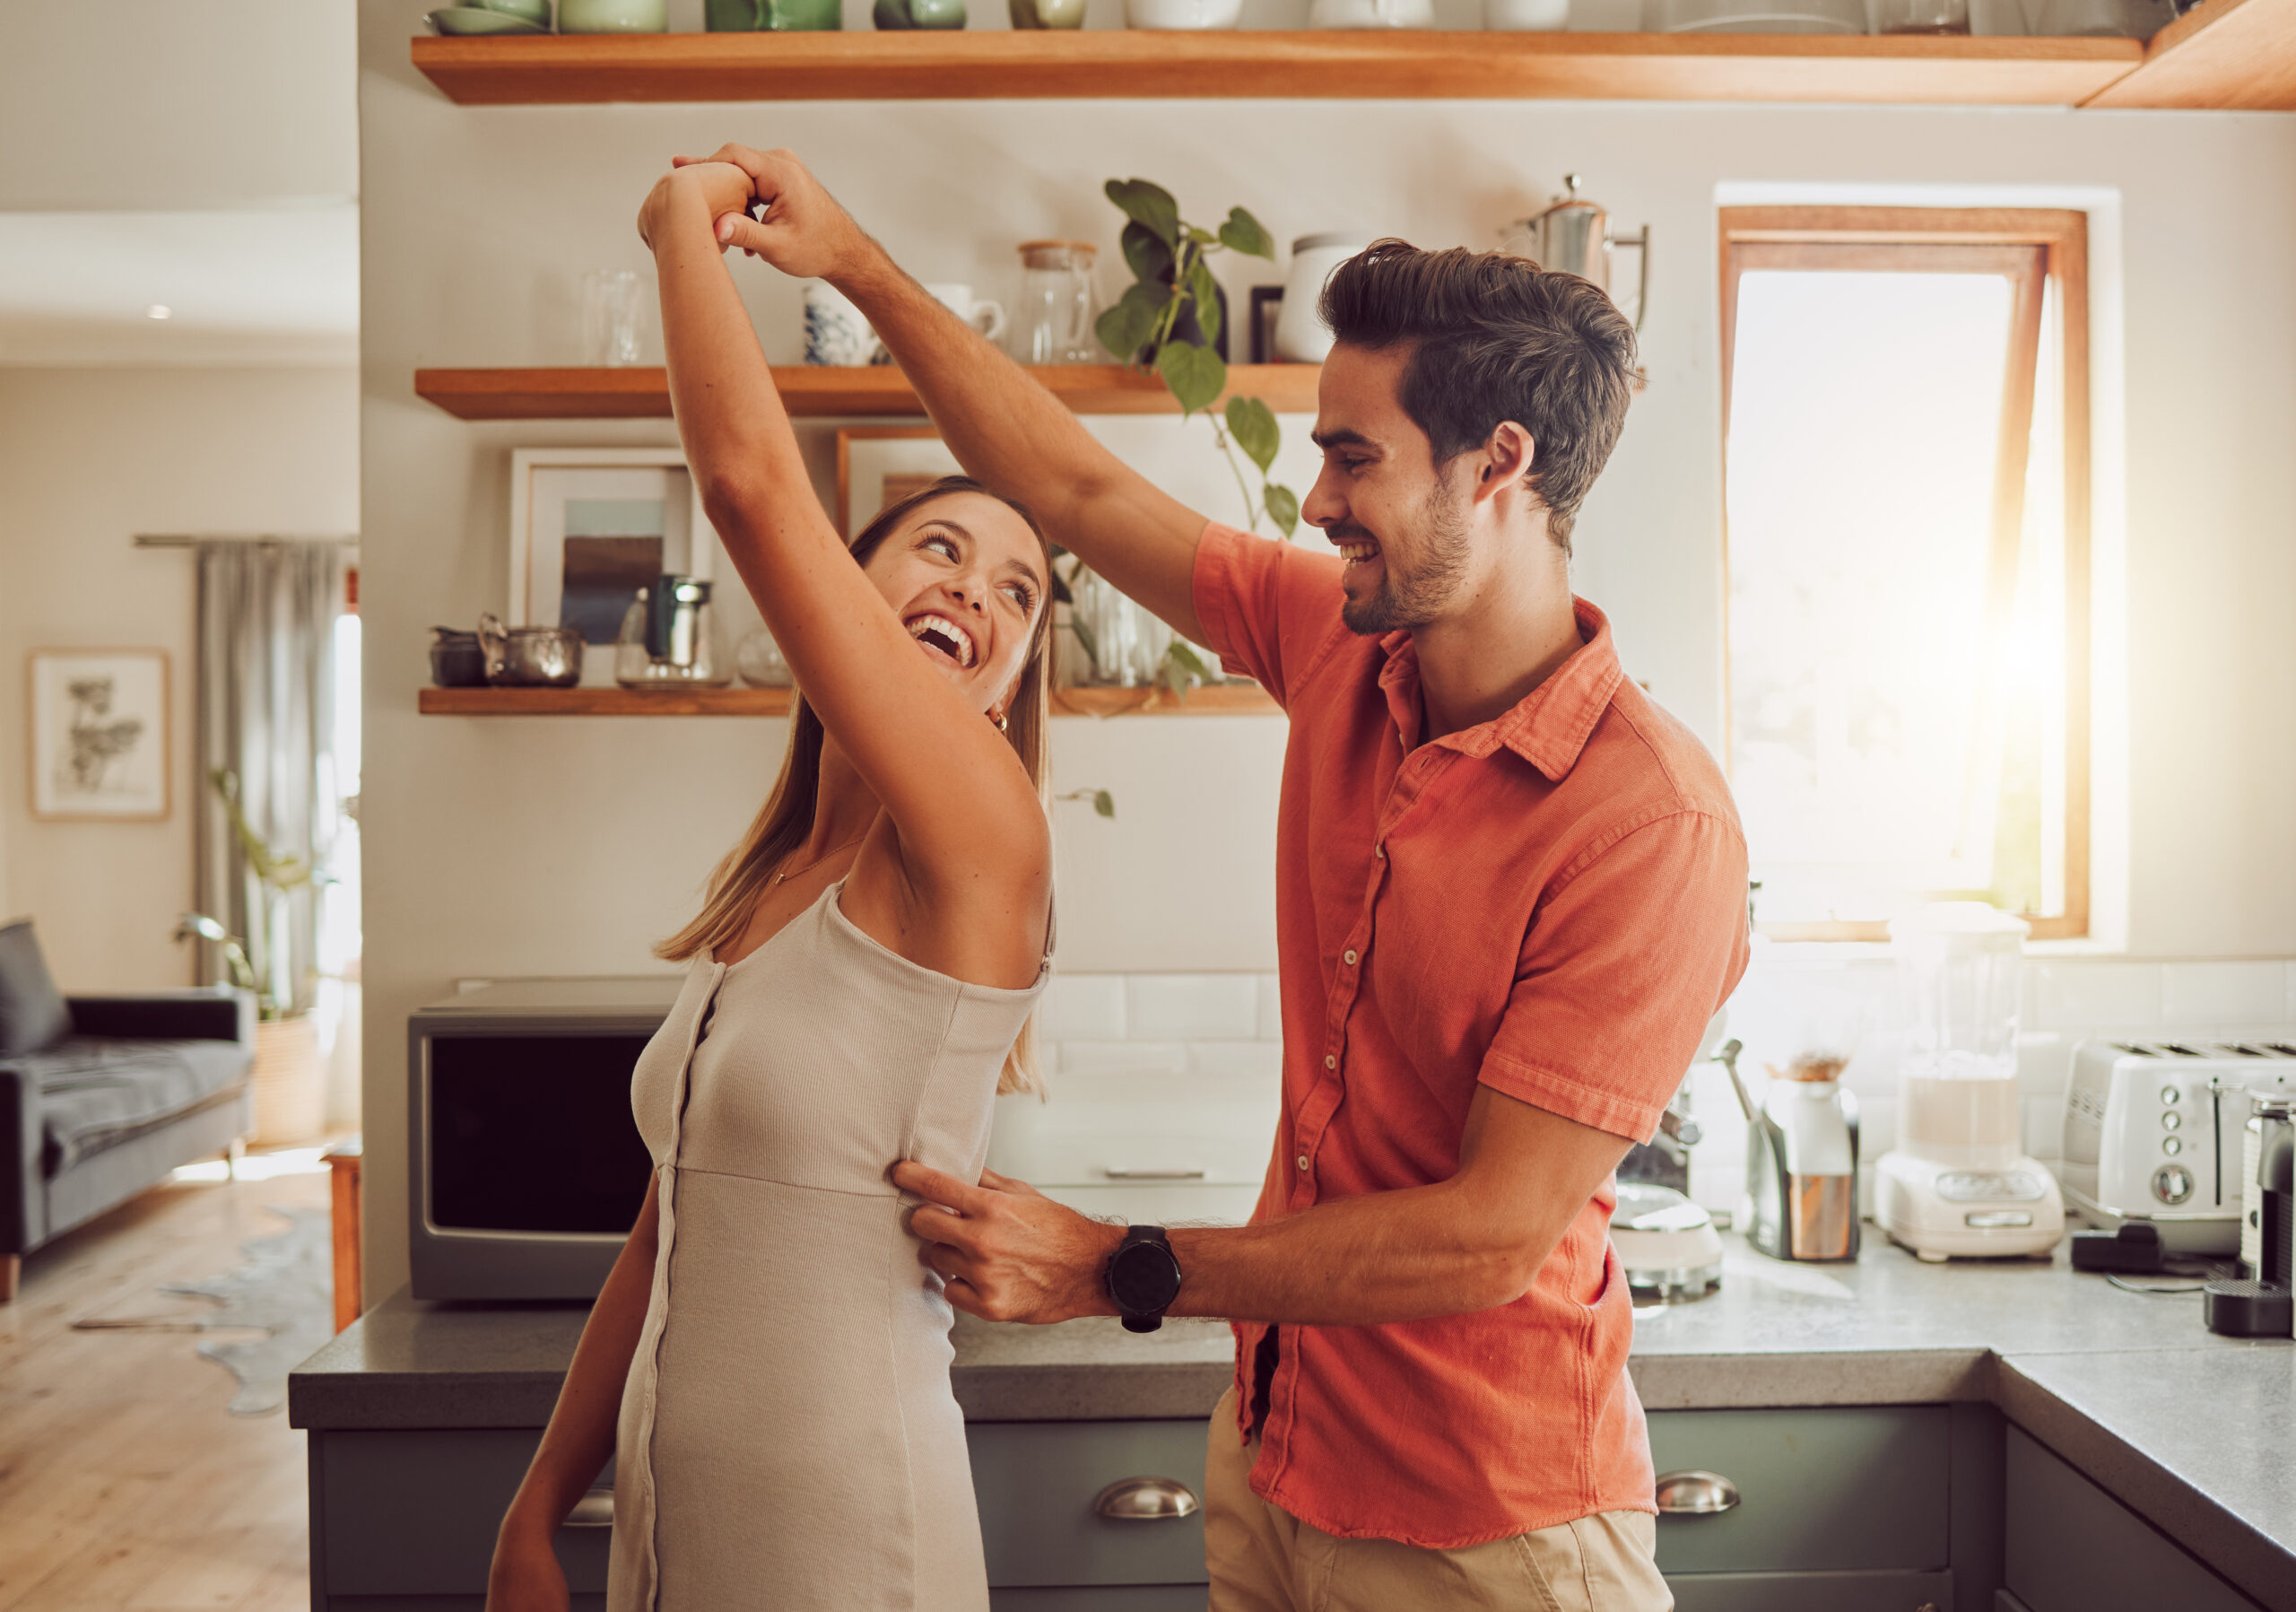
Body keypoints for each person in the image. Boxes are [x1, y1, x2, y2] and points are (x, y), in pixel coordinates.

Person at [685, 147, 1753, 1611]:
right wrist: (860, 266)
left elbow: (1492, 1231)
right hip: (1277, 1461)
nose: (1314, 500)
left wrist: (1116, 1266)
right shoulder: (1342, 642)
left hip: (1493, 1528)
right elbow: (1061, 481)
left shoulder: (1651, 823)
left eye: (1353, 457)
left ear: (1498, 465)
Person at [483, 159, 1057, 1612]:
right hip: (674, 1533)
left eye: (1019, 592)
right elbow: (669, 1222)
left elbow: (744, 481)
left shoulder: (979, 836)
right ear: (845, 594)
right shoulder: (774, 891)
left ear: (1007, 687)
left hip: (850, 1537)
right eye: (941, 547)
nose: (977, 596)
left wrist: (682, 214)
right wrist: (542, 1503)